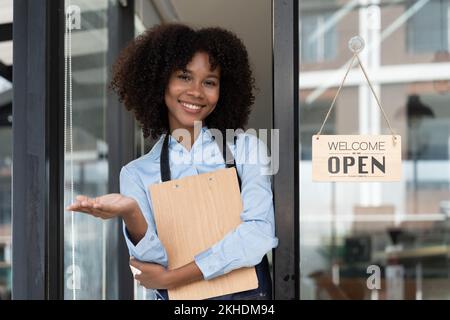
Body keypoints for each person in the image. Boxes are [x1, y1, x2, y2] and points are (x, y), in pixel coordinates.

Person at [66, 23, 278, 300]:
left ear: (222, 90)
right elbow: (152, 268)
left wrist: (174, 277)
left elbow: (258, 235)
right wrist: (132, 213)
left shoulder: (246, 149)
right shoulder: (137, 173)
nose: (197, 91)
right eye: (184, 77)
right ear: (160, 81)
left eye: (209, 82)